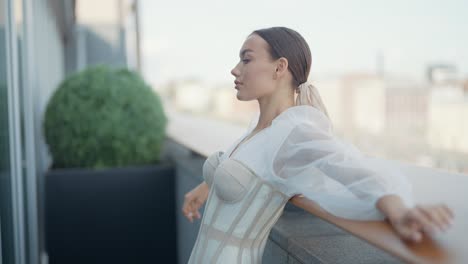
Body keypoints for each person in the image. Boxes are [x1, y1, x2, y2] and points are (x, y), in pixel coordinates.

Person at [182, 27, 454, 263]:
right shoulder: (257, 126)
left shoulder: (294, 131)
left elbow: (352, 166)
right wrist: (209, 185)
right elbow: (248, 166)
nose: (235, 69)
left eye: (246, 59)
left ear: (279, 68)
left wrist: (399, 210)